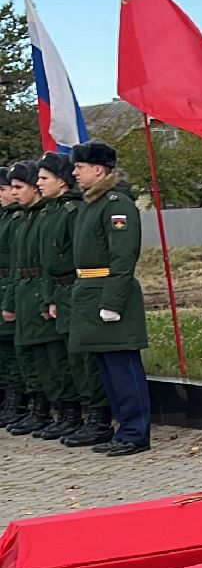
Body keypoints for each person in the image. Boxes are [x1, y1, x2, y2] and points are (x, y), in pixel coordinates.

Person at [66, 140, 147, 453]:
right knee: (109, 370)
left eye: (79, 167)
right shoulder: (93, 203)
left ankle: (135, 433)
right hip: (90, 293)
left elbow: (123, 257)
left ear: (98, 170)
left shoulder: (116, 204)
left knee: (123, 368)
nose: (74, 172)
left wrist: (112, 302)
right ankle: (124, 429)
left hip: (108, 295)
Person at [17, 152, 88, 441]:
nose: (39, 183)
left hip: (70, 289)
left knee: (68, 360)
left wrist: (51, 297)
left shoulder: (70, 211)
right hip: (46, 292)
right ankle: (59, 410)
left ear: (61, 181)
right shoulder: (44, 214)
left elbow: (67, 257)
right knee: (45, 358)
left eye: (44, 178)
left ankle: (76, 414)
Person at [4, 162, 49, 435]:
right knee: (24, 354)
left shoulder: (39, 216)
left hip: (38, 290)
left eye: (16, 187)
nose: (10, 192)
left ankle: (46, 410)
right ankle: (28, 407)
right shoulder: (22, 218)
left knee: (44, 357)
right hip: (21, 289)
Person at [0, 177, 22, 428]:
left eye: (3, 189)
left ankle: (17, 401)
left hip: (11, 284)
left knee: (12, 348)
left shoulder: (16, 219)